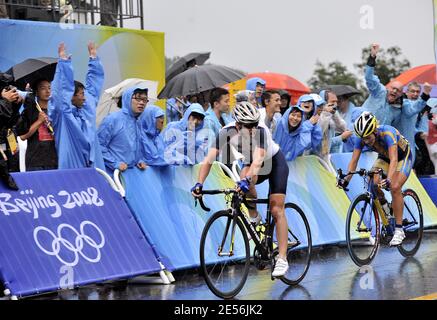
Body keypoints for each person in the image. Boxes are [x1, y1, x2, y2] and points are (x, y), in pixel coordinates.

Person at [191, 101, 290, 277]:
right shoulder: (226, 132)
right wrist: (199, 184)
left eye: (254, 124)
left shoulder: (261, 131)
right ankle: (254, 217)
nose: (252, 129)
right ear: (237, 124)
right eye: (248, 126)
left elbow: (259, 161)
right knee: (242, 181)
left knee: (276, 209)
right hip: (251, 163)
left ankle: (282, 258)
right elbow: (208, 160)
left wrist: (246, 180)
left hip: (274, 163)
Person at [338, 112, 413, 246]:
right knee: (373, 182)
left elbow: (394, 159)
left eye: (368, 138)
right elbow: (353, 161)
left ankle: (399, 230)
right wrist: (346, 180)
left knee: (395, 187)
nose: (366, 142)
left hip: (402, 157)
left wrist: (389, 179)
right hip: (384, 157)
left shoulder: (387, 133)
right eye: (363, 139)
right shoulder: (360, 138)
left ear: (374, 130)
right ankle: (387, 209)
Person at [49, 42, 105, 170]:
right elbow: (59, 93)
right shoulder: (63, 115)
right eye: (80, 94)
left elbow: (94, 86)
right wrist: (63, 64)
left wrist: (94, 59)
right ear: (71, 96)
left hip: (94, 167)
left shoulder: (87, 108)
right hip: (72, 168)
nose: (84, 97)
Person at [98, 86, 148, 172]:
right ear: (127, 99)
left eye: (145, 100)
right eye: (138, 99)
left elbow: (135, 149)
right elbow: (99, 146)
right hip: (113, 175)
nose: (142, 103)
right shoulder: (113, 119)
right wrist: (115, 163)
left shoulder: (137, 122)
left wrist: (139, 160)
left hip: (131, 175)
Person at [16, 79, 58, 171]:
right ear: (36, 92)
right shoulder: (29, 112)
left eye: (49, 88)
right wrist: (39, 121)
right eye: (43, 88)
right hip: (35, 161)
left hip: (54, 160)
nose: (47, 91)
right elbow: (23, 136)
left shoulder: (55, 112)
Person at [0, 80, 21, 189]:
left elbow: (9, 123)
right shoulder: (3, 100)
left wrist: (16, 105)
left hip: (8, 144)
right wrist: (5, 101)